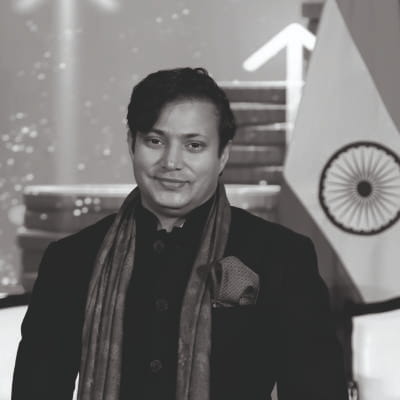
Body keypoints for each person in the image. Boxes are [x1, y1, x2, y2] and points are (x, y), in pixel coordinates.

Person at [12, 67, 348, 400]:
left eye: (194, 145)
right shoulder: (70, 260)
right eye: (155, 141)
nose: (171, 162)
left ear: (223, 155)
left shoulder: (281, 257)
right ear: (131, 143)